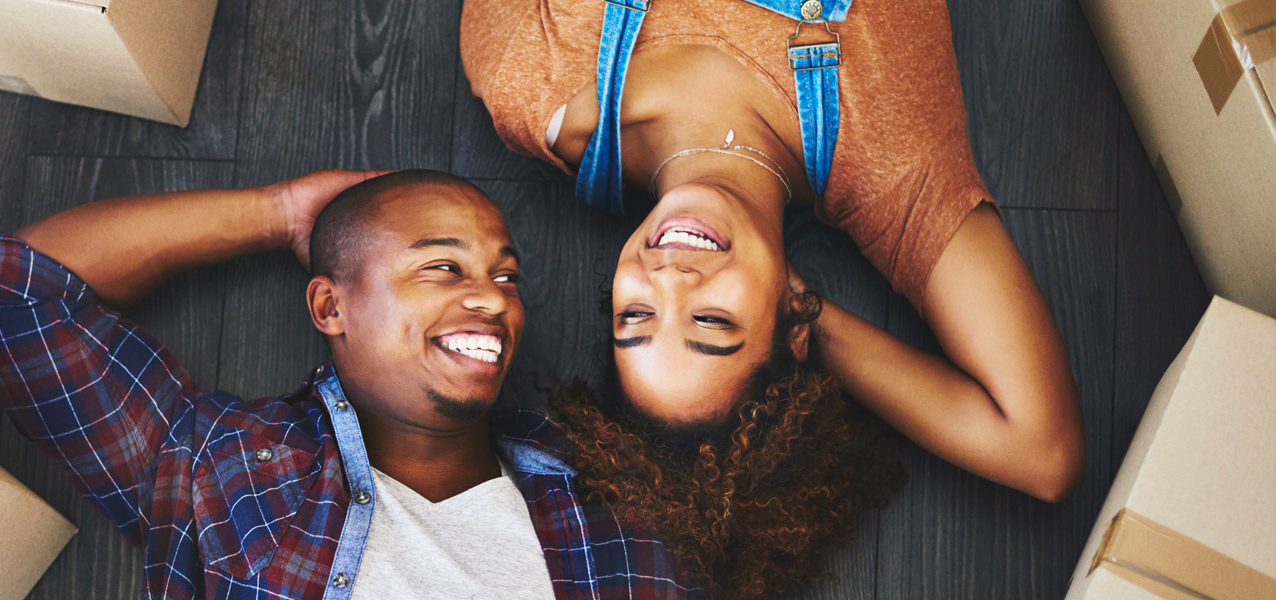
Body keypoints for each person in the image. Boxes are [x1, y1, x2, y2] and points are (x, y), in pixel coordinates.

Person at [462, 0, 1086, 597]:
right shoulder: (888, 154)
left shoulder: (530, 80)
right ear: (792, 326)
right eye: (712, 321)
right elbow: (1040, 451)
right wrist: (808, 309)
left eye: (638, 315)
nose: (671, 279)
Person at [0, 169, 705, 599]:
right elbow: (14, 292)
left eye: (505, 276)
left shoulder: (610, 488)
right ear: (329, 305)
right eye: (444, 266)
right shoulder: (223, 468)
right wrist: (277, 214)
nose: (492, 298)